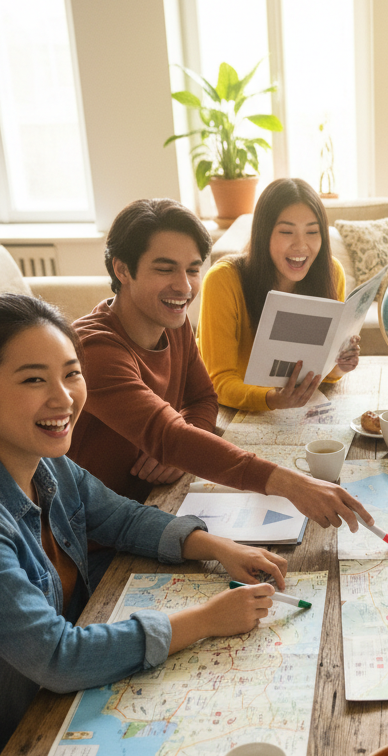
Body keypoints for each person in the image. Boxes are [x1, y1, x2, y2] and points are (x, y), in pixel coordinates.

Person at [0, 295, 288, 756]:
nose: (63, 398)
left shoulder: (42, 458)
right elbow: (58, 657)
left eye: (71, 374)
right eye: (33, 380)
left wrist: (216, 546)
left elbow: (118, 516)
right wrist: (208, 619)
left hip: (54, 716)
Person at [67, 198, 369, 540]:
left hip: (159, 504)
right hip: (96, 532)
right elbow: (169, 435)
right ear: (122, 270)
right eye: (165, 269)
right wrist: (291, 484)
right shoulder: (94, 349)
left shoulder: (173, 321)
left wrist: (175, 455)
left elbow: (203, 399)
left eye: (193, 269)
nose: (184, 287)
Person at [198, 178, 360, 411]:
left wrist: (339, 366)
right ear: (264, 234)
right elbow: (219, 382)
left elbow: (319, 372)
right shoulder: (223, 280)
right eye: (286, 231)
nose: (301, 245)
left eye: (312, 232)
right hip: (235, 410)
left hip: (298, 411)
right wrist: (271, 399)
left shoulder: (332, 273)